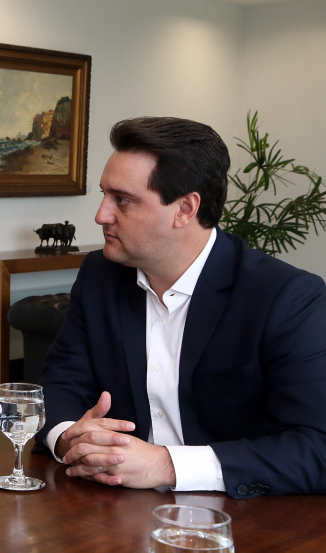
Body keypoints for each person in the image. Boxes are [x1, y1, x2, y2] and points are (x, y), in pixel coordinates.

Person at [35, 116, 326, 498]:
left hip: (242, 516)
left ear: (185, 209)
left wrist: (165, 464)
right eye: (104, 195)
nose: (101, 215)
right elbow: (59, 385)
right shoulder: (100, 275)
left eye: (122, 200)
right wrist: (70, 438)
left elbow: (317, 447)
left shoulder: (286, 297)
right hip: (114, 506)